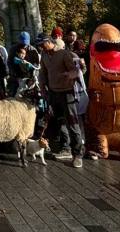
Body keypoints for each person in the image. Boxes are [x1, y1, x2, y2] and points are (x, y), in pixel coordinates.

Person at [37, 33, 84, 168]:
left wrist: (70, 75)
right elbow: (43, 73)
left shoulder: (64, 54)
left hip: (67, 93)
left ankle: (78, 154)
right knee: (60, 121)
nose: (40, 47)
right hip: (53, 93)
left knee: (72, 123)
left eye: (42, 44)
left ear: (49, 41)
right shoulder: (44, 55)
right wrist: (43, 89)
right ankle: (66, 148)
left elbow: (75, 71)